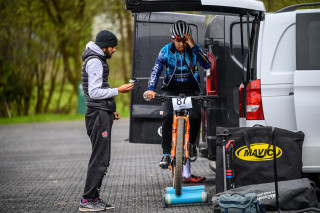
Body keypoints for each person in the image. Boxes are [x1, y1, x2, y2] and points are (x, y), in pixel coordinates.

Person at [144, 20, 211, 183]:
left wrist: (193, 46)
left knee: (196, 116)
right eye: (178, 40)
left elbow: (207, 64)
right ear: (173, 39)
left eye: (184, 40)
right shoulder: (165, 51)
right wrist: (151, 88)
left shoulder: (193, 50)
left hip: (191, 88)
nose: (181, 44)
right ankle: (166, 153)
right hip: (171, 88)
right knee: (167, 115)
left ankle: (191, 146)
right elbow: (156, 70)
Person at [79, 30, 134, 212]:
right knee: (100, 158)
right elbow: (94, 93)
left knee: (103, 157)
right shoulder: (95, 61)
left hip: (101, 113)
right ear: (104, 47)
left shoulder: (97, 59)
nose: (115, 50)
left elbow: (101, 88)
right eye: (113, 47)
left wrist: (111, 109)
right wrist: (119, 90)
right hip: (97, 115)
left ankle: (94, 197)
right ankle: (87, 200)